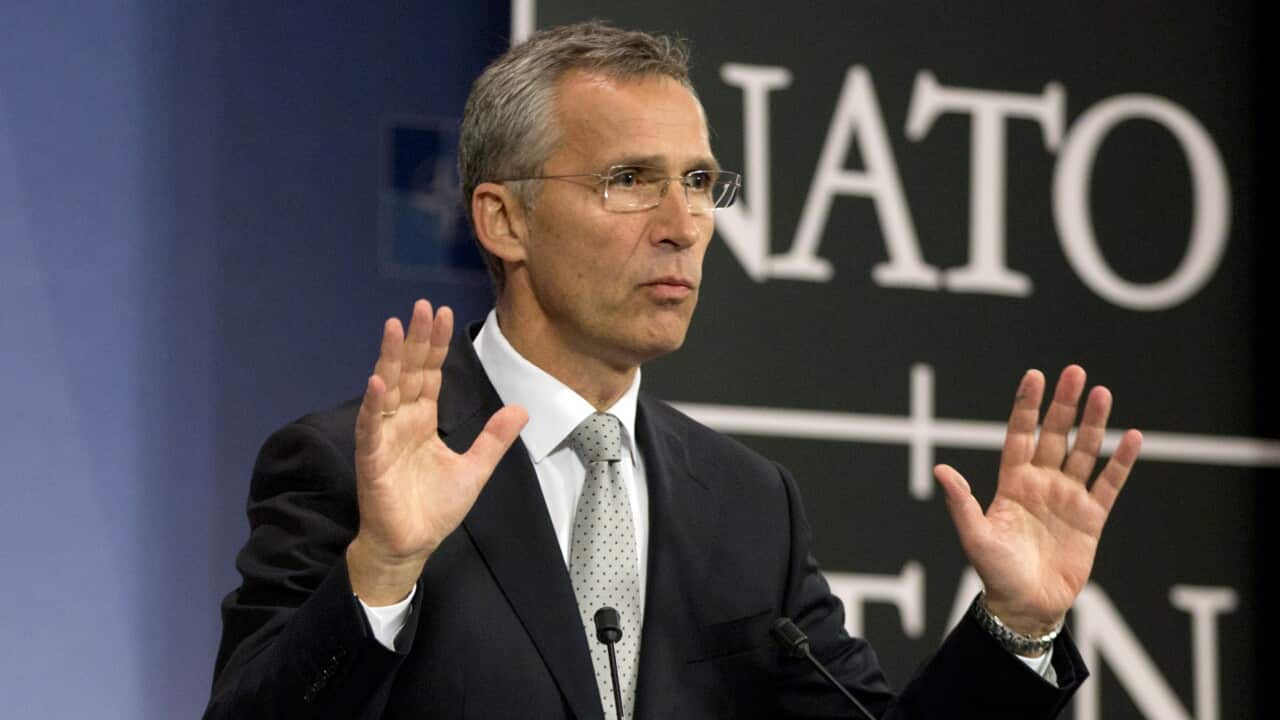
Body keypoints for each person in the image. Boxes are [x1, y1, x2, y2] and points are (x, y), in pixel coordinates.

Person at [206, 21, 1142, 719]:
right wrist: (383, 569)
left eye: (699, 182)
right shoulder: (346, 468)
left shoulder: (746, 506)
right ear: (503, 220)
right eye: (629, 180)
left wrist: (1017, 625)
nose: (682, 222)